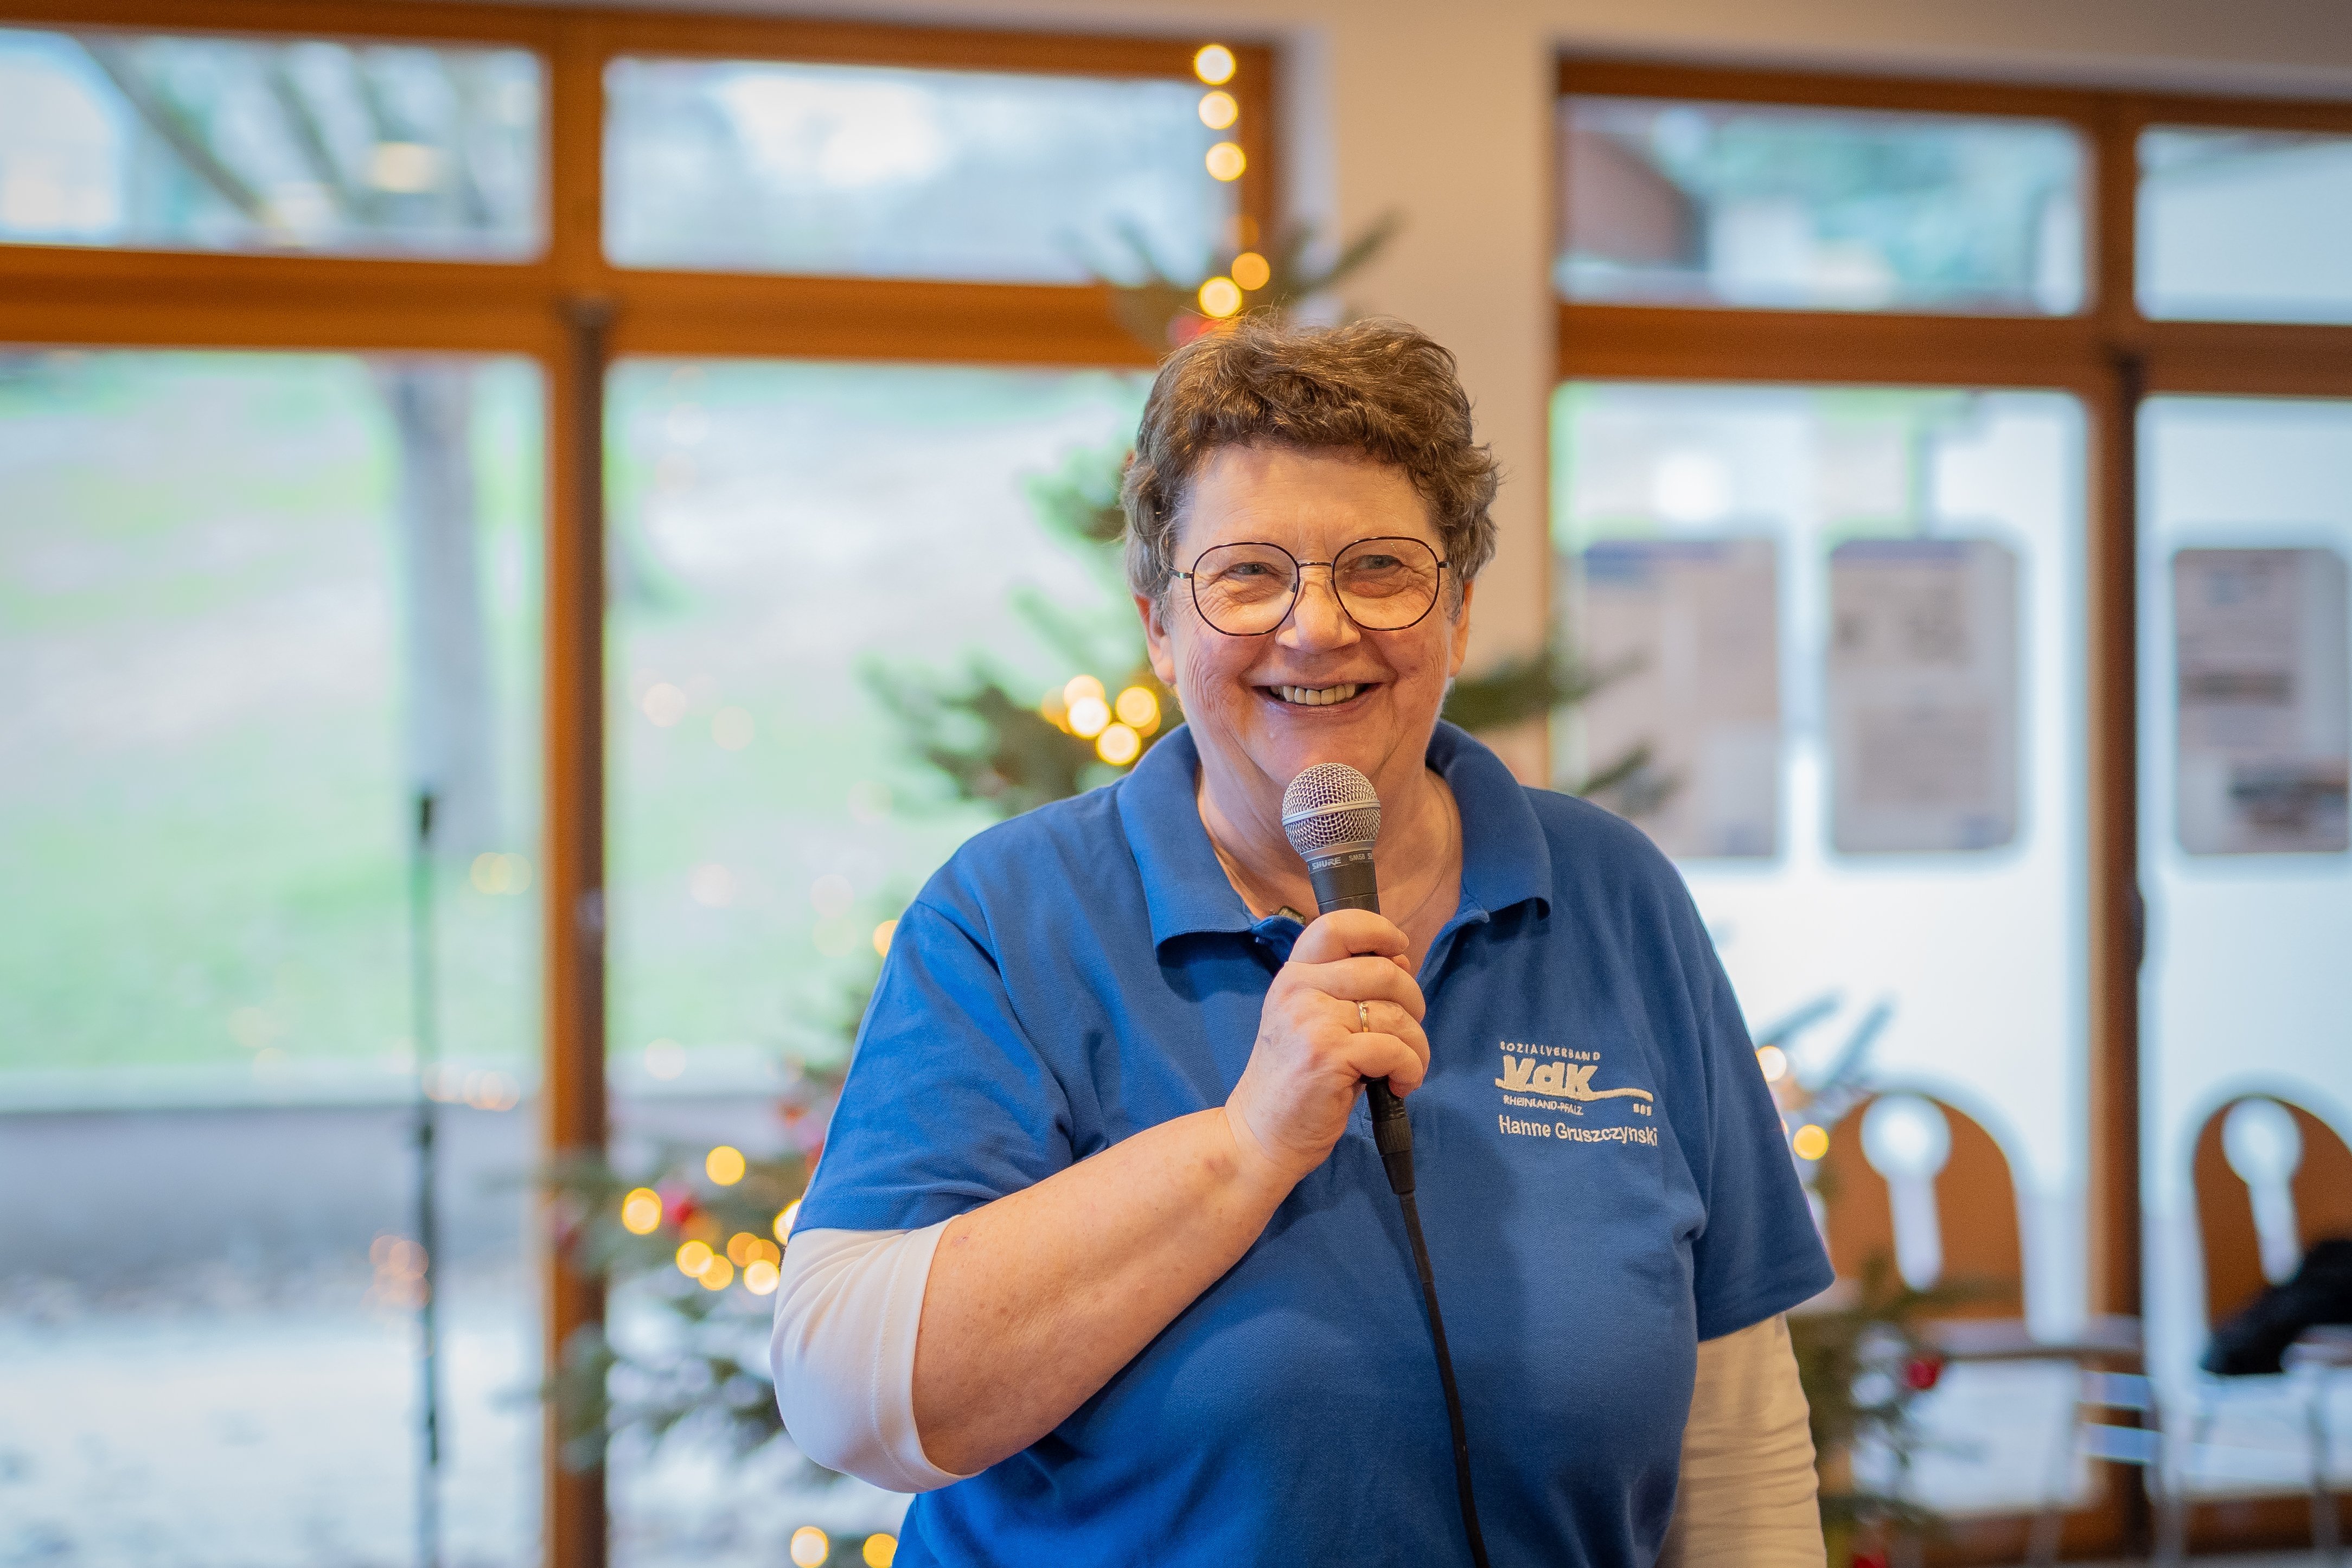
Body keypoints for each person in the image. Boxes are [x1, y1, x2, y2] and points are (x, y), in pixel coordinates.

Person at [772, 317, 1833, 1566]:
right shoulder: (1011, 916)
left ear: (1458, 611)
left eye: (1379, 568)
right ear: (1160, 629)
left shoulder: (1611, 894)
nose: (1315, 626)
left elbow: (1735, 1435)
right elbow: (845, 1394)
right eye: (1245, 575)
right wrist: (1242, 1148)